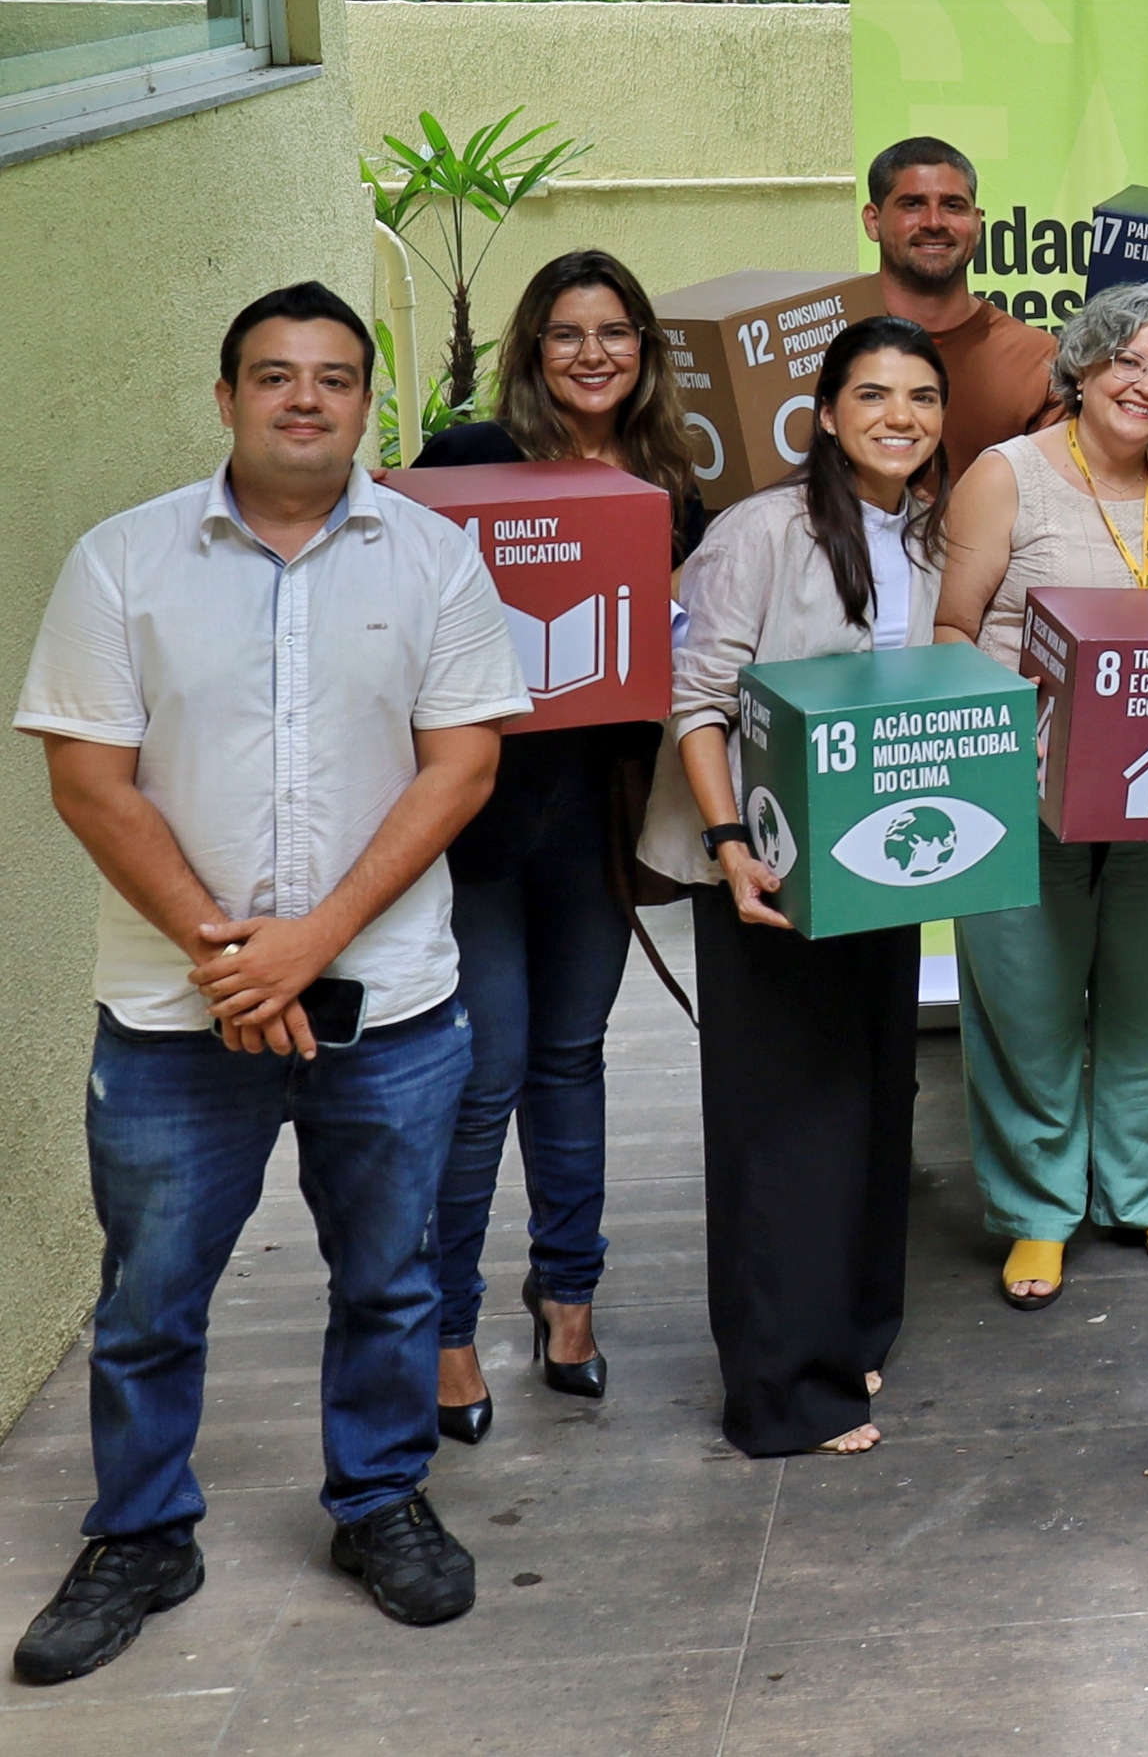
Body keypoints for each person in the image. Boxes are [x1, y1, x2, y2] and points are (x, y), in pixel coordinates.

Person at [12, 286, 525, 1685]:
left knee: (393, 1281)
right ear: (226, 394)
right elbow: (86, 777)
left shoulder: (434, 560)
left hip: (391, 1006)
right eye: (275, 375)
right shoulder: (123, 563)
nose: (306, 399)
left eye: (336, 378)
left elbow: (462, 764)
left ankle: (377, 1501)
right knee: (149, 1295)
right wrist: (231, 949)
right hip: (182, 1016)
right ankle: (141, 1531)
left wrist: (314, 937)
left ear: (369, 402)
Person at [634, 314, 949, 1459]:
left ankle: (852, 1331)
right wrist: (728, 842)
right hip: (764, 870)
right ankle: (780, 1392)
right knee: (786, 1130)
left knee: (872, 1105)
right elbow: (698, 699)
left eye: (920, 397)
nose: (898, 418)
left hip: (874, 870)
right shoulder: (756, 533)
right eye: (871, 396)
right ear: (824, 414)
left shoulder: (926, 533)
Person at [412, 250, 709, 1446]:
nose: (595, 354)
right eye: (569, 334)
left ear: (644, 348)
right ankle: (443, 1328)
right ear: (533, 348)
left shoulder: (667, 479)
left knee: (571, 1058)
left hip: (594, 820)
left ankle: (569, 1299)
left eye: (617, 331)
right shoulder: (464, 462)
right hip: (474, 822)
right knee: (483, 1075)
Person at [936, 284, 1148, 1309]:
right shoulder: (1004, 475)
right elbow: (952, 630)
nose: (1145, 385)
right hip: (1024, 782)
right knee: (1024, 1000)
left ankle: (1147, 1190)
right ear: (1084, 364)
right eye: (1127, 361)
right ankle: (1036, 1213)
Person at [862, 136, 1055, 466]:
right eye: (912, 204)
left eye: (953, 205)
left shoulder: (1039, 360)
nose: (934, 222)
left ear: (978, 224)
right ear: (873, 220)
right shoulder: (829, 342)